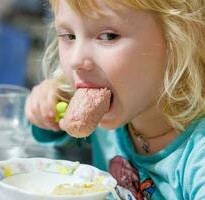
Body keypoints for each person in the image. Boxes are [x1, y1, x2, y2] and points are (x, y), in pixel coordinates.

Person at [25, 0, 205, 199]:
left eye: (109, 36)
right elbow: (51, 140)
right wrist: (47, 108)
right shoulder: (114, 112)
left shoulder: (198, 153)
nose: (76, 60)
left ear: (178, 40)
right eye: (69, 36)